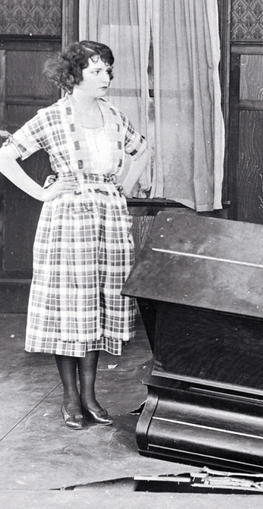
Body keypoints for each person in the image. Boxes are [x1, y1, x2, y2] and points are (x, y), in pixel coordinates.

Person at [0, 41, 148, 429]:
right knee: (71, 310)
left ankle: (90, 396)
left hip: (109, 221)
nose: (106, 77)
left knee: (97, 309)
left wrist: (124, 187)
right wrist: (43, 192)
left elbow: (142, 151)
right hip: (68, 222)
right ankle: (70, 399)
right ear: (73, 74)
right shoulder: (51, 117)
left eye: (108, 70)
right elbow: (5, 156)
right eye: (97, 70)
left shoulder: (113, 115)